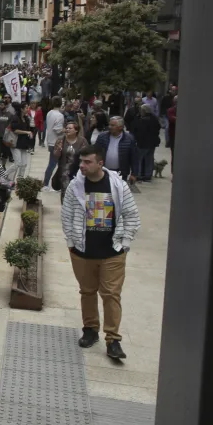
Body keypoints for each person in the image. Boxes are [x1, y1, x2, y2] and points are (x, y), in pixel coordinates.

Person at [62, 146, 139, 360]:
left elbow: (132, 215)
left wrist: (125, 242)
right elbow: (66, 215)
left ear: (100, 163)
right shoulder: (75, 186)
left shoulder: (118, 186)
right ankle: (90, 330)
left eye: (87, 162)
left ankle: (113, 339)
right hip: (82, 252)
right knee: (87, 291)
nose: (82, 165)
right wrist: (71, 241)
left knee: (111, 294)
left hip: (112, 252)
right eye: (81, 161)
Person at [94, 117, 136, 184]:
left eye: (112, 125)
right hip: (103, 171)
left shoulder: (129, 139)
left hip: (121, 173)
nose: (109, 127)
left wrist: (134, 173)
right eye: (109, 125)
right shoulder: (102, 137)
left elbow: (134, 157)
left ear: (120, 127)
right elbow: (95, 152)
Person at [53, 121, 87, 196]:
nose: (67, 129)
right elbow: (56, 156)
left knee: (77, 193)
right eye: (66, 128)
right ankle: (64, 207)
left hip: (77, 171)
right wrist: (59, 149)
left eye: (70, 128)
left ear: (76, 130)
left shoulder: (82, 141)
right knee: (65, 192)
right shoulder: (61, 140)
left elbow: (86, 155)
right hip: (64, 172)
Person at [131, 105, 161, 182]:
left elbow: (138, 132)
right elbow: (158, 128)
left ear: (144, 111)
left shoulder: (142, 120)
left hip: (143, 143)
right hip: (152, 143)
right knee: (149, 159)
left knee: (139, 159)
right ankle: (148, 175)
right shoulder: (154, 119)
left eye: (141, 110)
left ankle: (139, 174)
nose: (140, 112)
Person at [42, 96, 66, 187]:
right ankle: (47, 183)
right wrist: (65, 130)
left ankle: (47, 183)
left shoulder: (49, 113)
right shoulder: (60, 115)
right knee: (53, 164)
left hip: (50, 141)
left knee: (52, 163)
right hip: (56, 142)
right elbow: (58, 129)